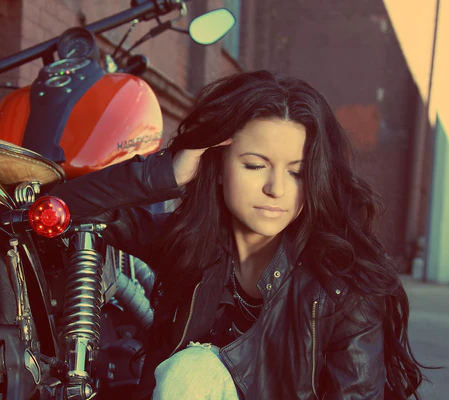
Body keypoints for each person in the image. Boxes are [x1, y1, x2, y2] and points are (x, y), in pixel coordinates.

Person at [50, 70, 426, 399]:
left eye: (297, 172)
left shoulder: (343, 285)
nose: (276, 189)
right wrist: (169, 173)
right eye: (255, 165)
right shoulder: (189, 243)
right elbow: (57, 208)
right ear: (217, 168)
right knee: (191, 373)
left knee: (192, 374)